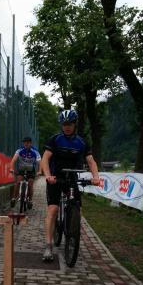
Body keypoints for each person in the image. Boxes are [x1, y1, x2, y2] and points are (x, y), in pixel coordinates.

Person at [41, 109, 100, 261]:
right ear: (61, 125)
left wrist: (96, 177)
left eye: (70, 124)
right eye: (64, 124)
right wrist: (48, 176)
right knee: (53, 209)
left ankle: (72, 230)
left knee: (77, 208)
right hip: (55, 178)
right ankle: (48, 246)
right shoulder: (55, 139)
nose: (67, 127)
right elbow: (45, 159)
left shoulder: (81, 142)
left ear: (75, 124)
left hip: (71, 178)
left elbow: (91, 161)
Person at [9, 136, 42, 209]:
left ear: (31, 143)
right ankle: (14, 198)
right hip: (21, 169)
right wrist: (11, 168)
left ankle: (30, 200)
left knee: (30, 184)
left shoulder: (35, 152)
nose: (26, 144)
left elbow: (40, 163)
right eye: (25, 142)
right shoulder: (19, 150)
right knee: (18, 182)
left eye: (28, 142)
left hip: (31, 170)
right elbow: (13, 160)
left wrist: (40, 171)